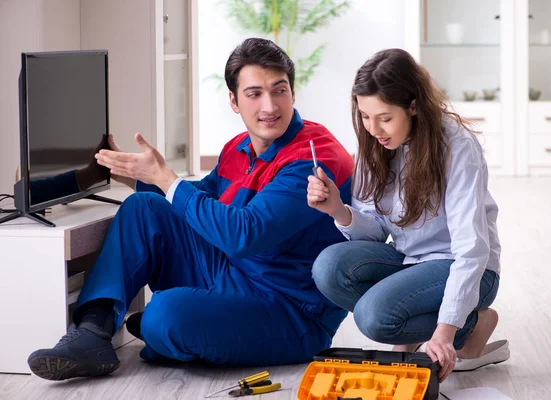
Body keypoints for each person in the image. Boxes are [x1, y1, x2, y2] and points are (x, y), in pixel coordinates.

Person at [27, 37, 354, 381]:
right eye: (254, 94)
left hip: (291, 310)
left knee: (165, 315)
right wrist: (136, 176)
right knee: (144, 207)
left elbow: (245, 233)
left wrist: (168, 179)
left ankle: (176, 330)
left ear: (293, 93)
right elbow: (201, 197)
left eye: (279, 90)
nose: (270, 106)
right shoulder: (238, 147)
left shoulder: (316, 158)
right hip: (231, 272)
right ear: (234, 101)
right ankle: (92, 332)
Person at [306, 48, 507, 383]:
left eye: (385, 118)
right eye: (365, 117)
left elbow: (471, 250)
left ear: (413, 105)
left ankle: (469, 325)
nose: (373, 129)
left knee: (374, 318)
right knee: (328, 268)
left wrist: (443, 333)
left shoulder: (457, 146)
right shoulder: (376, 144)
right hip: (410, 259)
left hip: (466, 266)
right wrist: (337, 210)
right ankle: (415, 320)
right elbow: (377, 233)